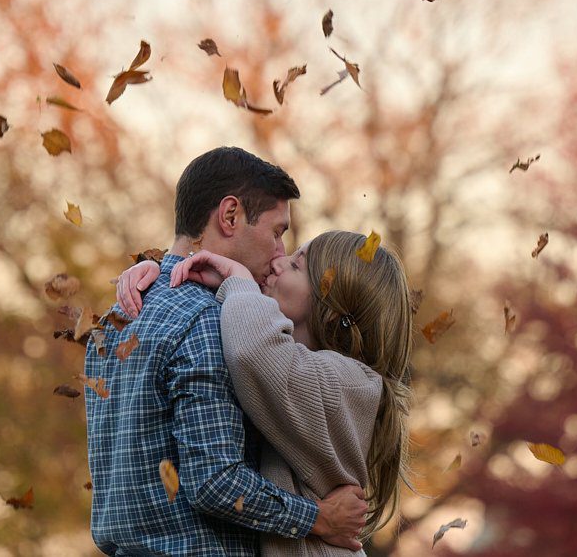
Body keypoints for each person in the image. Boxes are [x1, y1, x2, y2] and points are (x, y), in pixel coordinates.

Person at [84, 147, 369, 557]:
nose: (280, 254)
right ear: (230, 215)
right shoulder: (211, 322)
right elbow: (215, 482)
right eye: (276, 232)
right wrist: (319, 518)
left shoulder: (113, 320)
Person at [117, 228, 414, 555]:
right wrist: (163, 276)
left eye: (296, 266)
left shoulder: (351, 384)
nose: (278, 262)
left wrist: (239, 279)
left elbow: (253, 349)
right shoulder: (295, 371)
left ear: (331, 308)